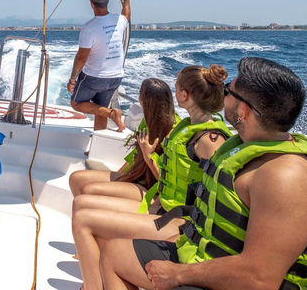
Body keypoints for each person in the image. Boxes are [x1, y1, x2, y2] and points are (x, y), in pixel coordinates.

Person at [100, 57, 307, 290]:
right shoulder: (242, 148)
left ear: (243, 110)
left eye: (227, 92)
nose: (221, 97)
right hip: (204, 257)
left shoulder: (286, 176)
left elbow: (260, 278)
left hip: (240, 281)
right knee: (114, 253)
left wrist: (178, 274)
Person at [71, 64, 231, 290]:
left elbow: (220, 196)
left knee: (84, 219)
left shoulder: (210, 139)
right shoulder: (188, 127)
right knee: (85, 211)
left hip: (184, 223)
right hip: (164, 208)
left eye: (177, 88)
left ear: (184, 94)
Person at [68, 78, 176, 201]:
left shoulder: (172, 133)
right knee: (76, 179)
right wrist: (119, 176)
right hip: (137, 177)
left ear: (142, 100)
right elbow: (135, 156)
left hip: (153, 188)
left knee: (88, 191)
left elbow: (168, 183)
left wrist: (148, 156)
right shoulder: (147, 123)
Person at [67, 0, 130, 132]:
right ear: (108, 0)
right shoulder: (119, 20)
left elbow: (82, 58)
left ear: (91, 3)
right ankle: (97, 145)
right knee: (99, 108)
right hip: (116, 78)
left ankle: (112, 113)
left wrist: (72, 80)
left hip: (94, 78)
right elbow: (127, 15)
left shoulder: (89, 28)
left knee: (75, 103)